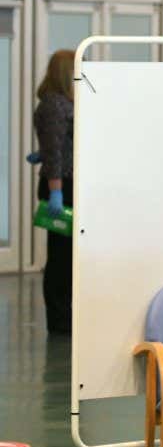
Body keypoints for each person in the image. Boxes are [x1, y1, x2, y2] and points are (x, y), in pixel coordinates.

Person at [34, 50, 75, 337]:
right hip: (61, 187)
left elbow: (60, 144)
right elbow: (54, 151)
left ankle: (66, 315)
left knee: (68, 256)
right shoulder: (54, 105)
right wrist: (56, 192)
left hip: (66, 182)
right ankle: (59, 320)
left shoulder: (62, 103)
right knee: (60, 258)